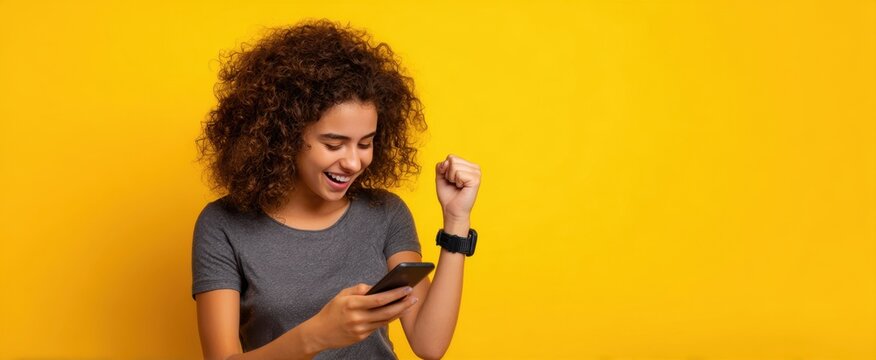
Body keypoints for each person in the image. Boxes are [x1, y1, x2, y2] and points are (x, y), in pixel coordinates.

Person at [192, 19, 482, 360]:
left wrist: (456, 220)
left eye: (366, 143)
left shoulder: (386, 213)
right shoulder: (223, 224)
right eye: (334, 144)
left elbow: (428, 344)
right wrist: (316, 336)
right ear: (284, 137)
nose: (354, 163)